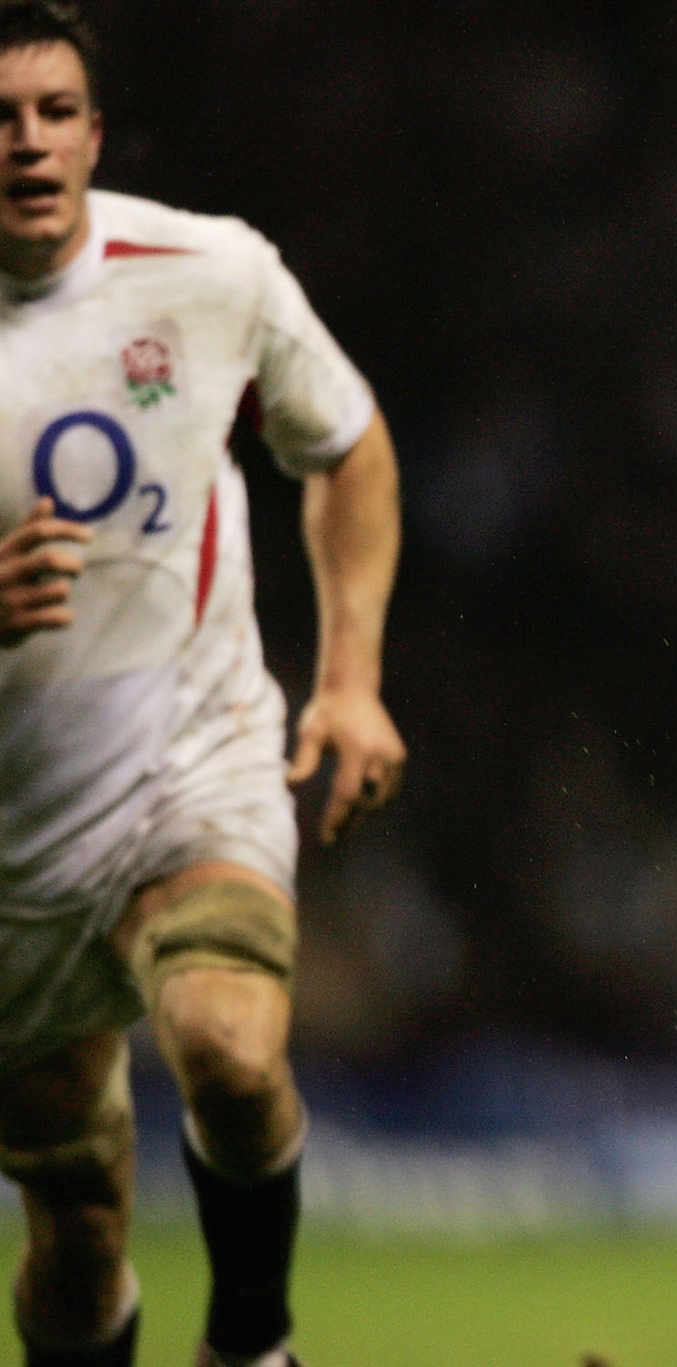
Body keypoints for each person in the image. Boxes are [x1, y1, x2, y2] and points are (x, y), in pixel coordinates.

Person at [0, 6, 405, 1365]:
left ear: (96, 133)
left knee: (231, 1052)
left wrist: (348, 679)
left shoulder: (208, 272)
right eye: (1, 117)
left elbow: (346, 446)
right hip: (15, 844)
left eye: (55, 111)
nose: (29, 141)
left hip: (196, 759)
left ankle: (252, 1343)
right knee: (78, 1226)